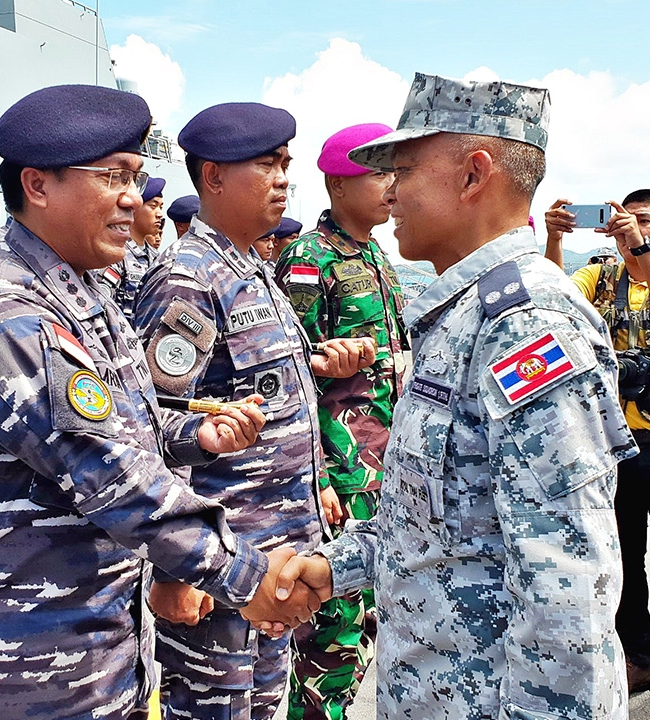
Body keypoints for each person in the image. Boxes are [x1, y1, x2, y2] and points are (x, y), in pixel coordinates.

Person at [0, 83, 322, 720]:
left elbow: (119, 424)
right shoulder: (12, 320)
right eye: (112, 177)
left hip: (89, 651)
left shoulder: (84, 296)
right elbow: (111, 473)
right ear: (38, 185)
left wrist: (189, 434)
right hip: (10, 668)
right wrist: (247, 577)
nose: (133, 198)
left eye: (136, 175)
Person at [271, 73, 635, 720]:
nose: (389, 192)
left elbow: (568, 590)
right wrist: (331, 569)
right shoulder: (460, 313)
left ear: (474, 175)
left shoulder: (527, 327)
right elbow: (434, 522)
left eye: (403, 170)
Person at [133, 101, 366, 720]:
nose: (284, 178)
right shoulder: (187, 280)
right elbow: (155, 426)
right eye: (267, 165)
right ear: (213, 177)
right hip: (222, 561)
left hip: (276, 554)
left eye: (287, 164)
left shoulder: (252, 269)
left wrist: (315, 483)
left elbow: (271, 393)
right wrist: (175, 569)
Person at [545, 189, 650, 702]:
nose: (630, 229)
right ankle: (637, 652)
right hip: (609, 441)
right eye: (624, 221)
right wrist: (553, 239)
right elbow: (552, 298)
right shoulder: (599, 276)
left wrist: (641, 250)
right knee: (622, 554)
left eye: (644, 222)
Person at [274, 122, 407, 720]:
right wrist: (320, 473)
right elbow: (287, 375)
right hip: (341, 462)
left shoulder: (378, 252)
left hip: (384, 459)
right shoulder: (309, 257)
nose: (391, 184)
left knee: (371, 607)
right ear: (337, 182)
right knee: (338, 618)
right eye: (378, 172)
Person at [98, 176, 164, 317]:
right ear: (135, 208)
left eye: (161, 207)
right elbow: (102, 304)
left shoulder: (158, 258)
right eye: (153, 206)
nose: (159, 214)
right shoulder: (117, 255)